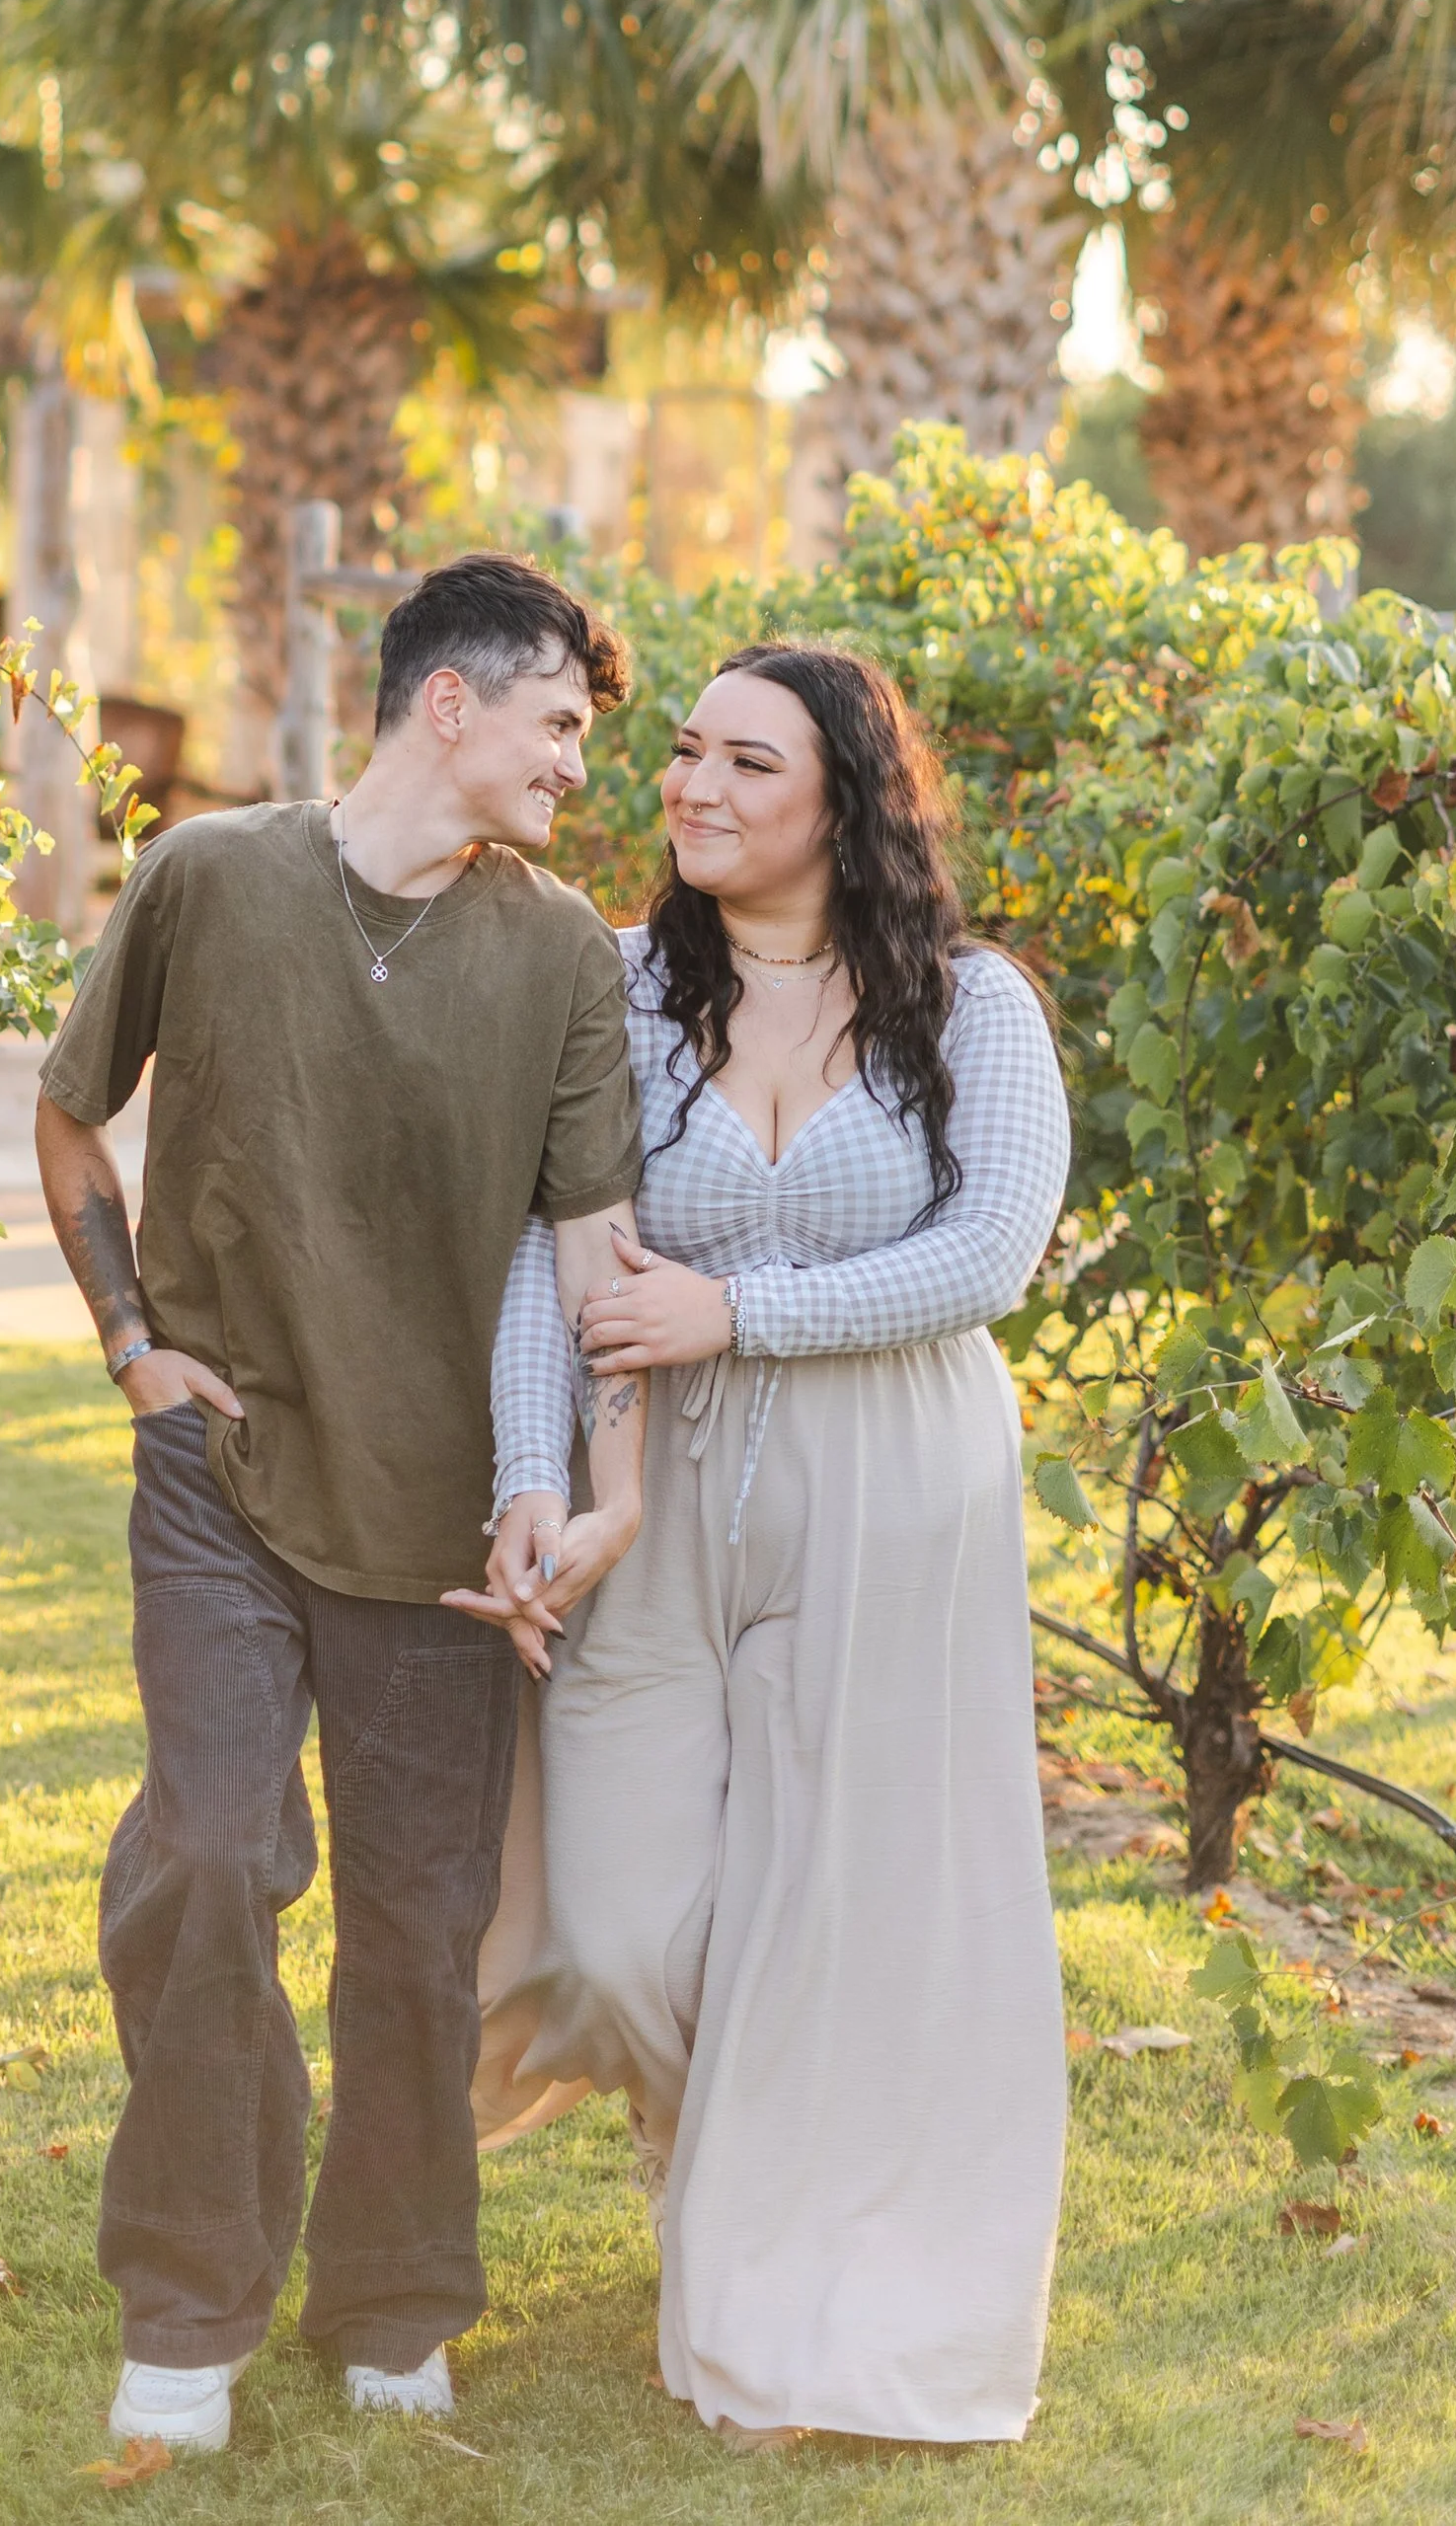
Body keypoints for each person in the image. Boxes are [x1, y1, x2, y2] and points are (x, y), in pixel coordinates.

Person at [33, 551, 646, 2459]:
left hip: (444, 1529)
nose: (577, 763)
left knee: (418, 1919)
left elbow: (598, 1257)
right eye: (558, 719)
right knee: (213, 1855)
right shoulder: (211, 876)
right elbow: (73, 1113)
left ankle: (392, 2302)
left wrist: (595, 1489)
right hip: (219, 1472)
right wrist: (134, 1340)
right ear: (444, 702)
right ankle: (189, 2308)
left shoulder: (566, 954)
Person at [458, 641, 1071, 2451]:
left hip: (900, 1497)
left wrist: (740, 1311)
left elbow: (988, 1261)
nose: (693, 789)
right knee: (618, 1924)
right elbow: (540, 1249)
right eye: (684, 755)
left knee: (844, 1910)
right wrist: (526, 1471)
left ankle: (785, 2276)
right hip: (645, 1490)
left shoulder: (975, 1009)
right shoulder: (621, 989)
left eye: (748, 764)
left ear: (843, 803)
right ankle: (698, 2159)